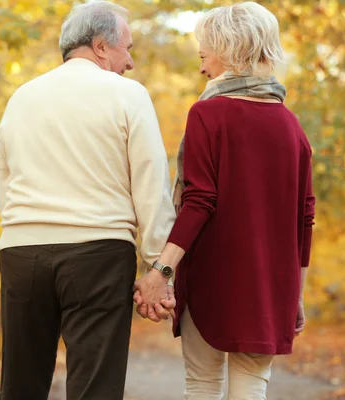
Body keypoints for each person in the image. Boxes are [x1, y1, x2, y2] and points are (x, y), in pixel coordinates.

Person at [134, 2, 316, 399]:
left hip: (212, 279)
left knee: (202, 386)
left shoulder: (208, 114)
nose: (202, 68)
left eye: (204, 55)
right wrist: (295, 294)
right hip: (271, 285)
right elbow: (305, 219)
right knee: (252, 388)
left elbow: (199, 201)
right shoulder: (291, 125)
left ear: (230, 50)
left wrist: (160, 271)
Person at [0, 1, 176, 399]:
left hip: (22, 252)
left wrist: (21, 230)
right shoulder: (128, 94)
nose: (130, 61)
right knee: (95, 387)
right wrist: (158, 267)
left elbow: (6, 179)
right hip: (97, 252)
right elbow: (150, 182)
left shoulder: (21, 97)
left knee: (20, 385)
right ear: (99, 46)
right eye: (126, 48)